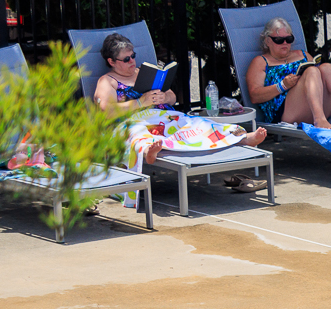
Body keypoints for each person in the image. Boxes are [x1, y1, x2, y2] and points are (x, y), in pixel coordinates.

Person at [91, 33, 269, 192]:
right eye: (126, 59)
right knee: (138, 134)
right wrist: (140, 102)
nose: (132, 61)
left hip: (166, 118)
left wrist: (164, 97)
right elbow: (107, 111)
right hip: (135, 123)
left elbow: (172, 97)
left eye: (133, 56)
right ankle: (149, 152)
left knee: (199, 124)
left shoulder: (145, 73)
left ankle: (241, 138)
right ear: (111, 62)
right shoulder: (108, 82)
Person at [245, 17, 331, 130]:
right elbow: (255, 96)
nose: (285, 43)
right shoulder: (261, 62)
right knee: (312, 71)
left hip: (319, 106)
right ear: (268, 41)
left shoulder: (301, 54)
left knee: (325, 68)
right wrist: (282, 86)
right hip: (286, 114)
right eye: (279, 40)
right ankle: (319, 120)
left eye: (289, 39)